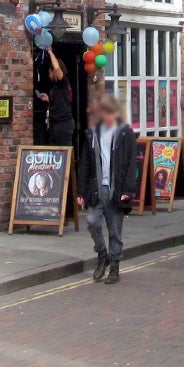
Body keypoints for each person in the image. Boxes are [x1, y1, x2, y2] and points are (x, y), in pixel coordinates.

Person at [75, 94, 139, 284]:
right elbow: (85, 164)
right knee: (92, 221)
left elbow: (131, 164)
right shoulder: (92, 134)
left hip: (117, 190)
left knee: (114, 230)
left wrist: (128, 189)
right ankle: (103, 255)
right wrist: (80, 192)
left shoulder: (125, 133)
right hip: (97, 189)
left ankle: (115, 267)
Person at [40, 54, 76, 149]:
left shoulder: (63, 82)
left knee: (64, 152)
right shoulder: (56, 86)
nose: (48, 75)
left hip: (64, 123)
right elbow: (60, 101)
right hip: (55, 123)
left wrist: (50, 51)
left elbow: (56, 67)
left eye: (49, 72)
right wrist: (48, 99)